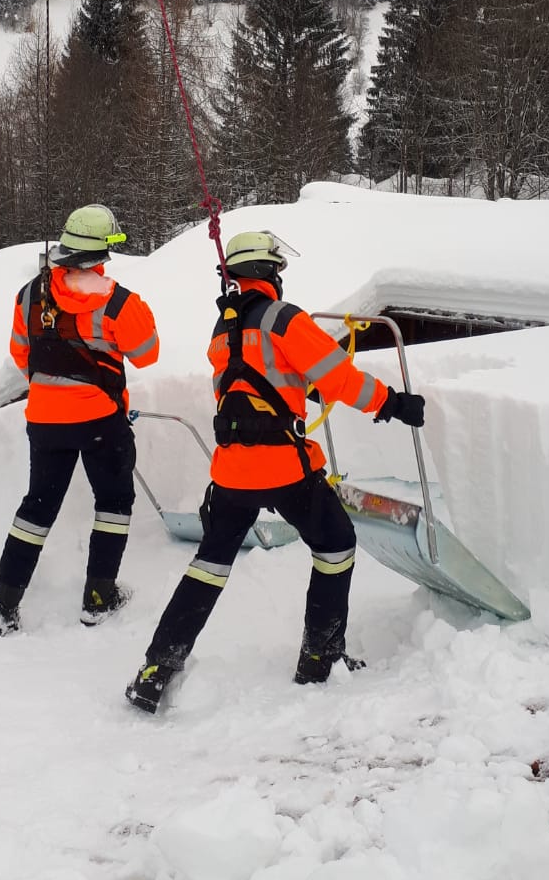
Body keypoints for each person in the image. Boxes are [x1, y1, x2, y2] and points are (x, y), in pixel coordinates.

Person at [124, 230, 425, 713]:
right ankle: (319, 656)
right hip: (285, 465)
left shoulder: (223, 331)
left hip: (231, 472)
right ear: (269, 274)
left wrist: (292, 390)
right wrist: (391, 403)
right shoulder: (285, 319)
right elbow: (339, 377)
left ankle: (156, 668)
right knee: (336, 545)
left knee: (209, 566)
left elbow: (247, 384)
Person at [0, 204, 160, 635]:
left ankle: (2, 605)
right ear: (102, 253)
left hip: (43, 419)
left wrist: (52, 390)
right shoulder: (119, 301)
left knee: (37, 508)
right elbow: (147, 353)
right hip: (101, 419)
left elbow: (21, 353)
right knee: (114, 503)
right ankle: (98, 599)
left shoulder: (29, 294)